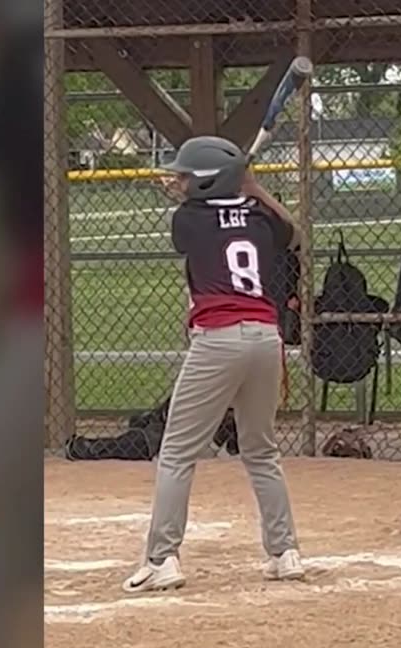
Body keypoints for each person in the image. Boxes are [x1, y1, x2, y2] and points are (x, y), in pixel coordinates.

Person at [123, 135, 304, 592]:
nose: (178, 182)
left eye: (185, 175)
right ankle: (285, 553)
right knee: (261, 450)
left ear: (204, 182)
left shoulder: (187, 219)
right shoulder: (262, 217)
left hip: (218, 341)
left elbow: (199, 216)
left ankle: (161, 558)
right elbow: (294, 233)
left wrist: (208, 191)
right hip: (266, 339)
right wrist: (255, 188)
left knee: (177, 451)